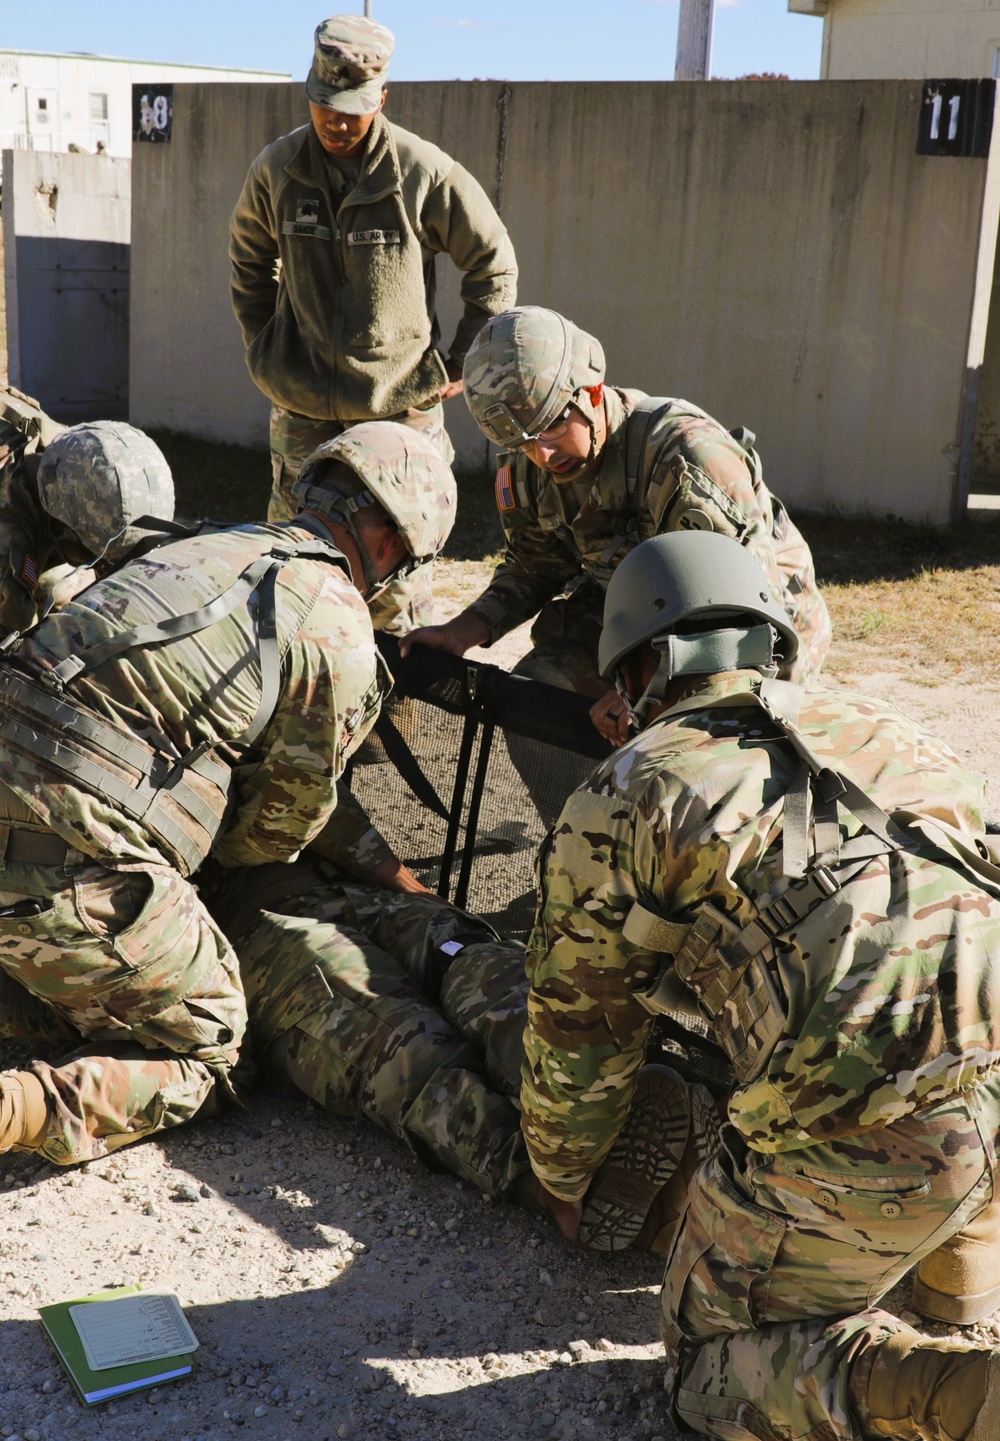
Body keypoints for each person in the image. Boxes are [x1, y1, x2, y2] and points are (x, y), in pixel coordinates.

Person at [520, 528, 1000, 1440]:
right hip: (990, 1058)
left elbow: (578, 1027)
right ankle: (958, 1274)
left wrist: (563, 1172)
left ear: (636, 674)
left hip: (884, 1118)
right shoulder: (878, 723)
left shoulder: (631, 787)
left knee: (707, 1370)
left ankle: (962, 1394)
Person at [0, 422, 455, 1169]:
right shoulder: (333, 620)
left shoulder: (200, 545)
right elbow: (275, 833)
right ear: (388, 544)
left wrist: (384, 865)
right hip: (68, 860)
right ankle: (21, 1108)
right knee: (212, 1039)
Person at [401, 306, 831, 745]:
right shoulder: (529, 466)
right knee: (540, 698)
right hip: (642, 608)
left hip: (751, 623)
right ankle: (596, 811)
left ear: (590, 390)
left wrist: (647, 690)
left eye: (550, 428)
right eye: (522, 442)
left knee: (697, 742)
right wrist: (459, 632)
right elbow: (534, 566)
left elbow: (748, 621)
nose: (542, 456)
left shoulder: (688, 459)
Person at [229, 13, 517, 631]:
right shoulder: (277, 170)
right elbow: (249, 261)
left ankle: (394, 714)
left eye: (352, 109)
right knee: (289, 577)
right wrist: (266, 344)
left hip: (397, 416)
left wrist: (462, 361)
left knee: (395, 591)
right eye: (324, 104)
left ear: (382, 99)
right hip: (303, 412)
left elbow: (492, 264)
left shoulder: (420, 171)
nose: (336, 121)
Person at [0, 390, 175, 635]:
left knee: (64, 590)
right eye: (100, 558)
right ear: (64, 527)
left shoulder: (77, 457)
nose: (107, 569)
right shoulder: (8, 549)